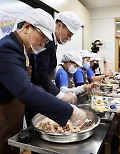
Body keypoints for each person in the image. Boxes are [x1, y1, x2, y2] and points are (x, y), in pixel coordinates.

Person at [0, 8, 86, 154]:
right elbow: (25, 89)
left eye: (47, 40)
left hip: (12, 112)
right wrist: (70, 111)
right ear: (27, 27)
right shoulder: (8, 48)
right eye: (43, 38)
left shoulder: (21, 49)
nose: (44, 44)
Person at [25, 11, 83, 127]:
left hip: (40, 92)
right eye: (69, 33)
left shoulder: (52, 43)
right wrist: (61, 96)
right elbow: (41, 74)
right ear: (59, 25)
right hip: (36, 94)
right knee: (37, 127)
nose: (70, 38)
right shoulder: (47, 41)